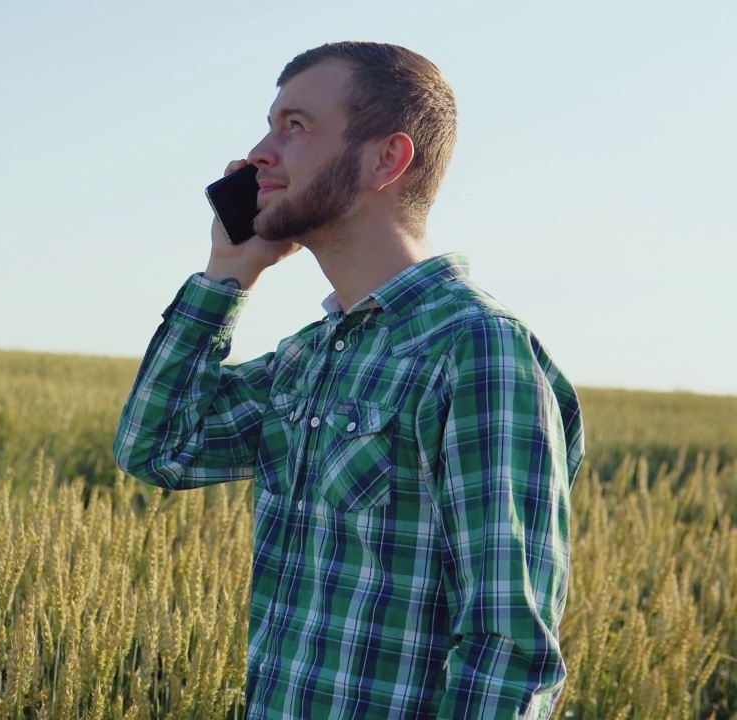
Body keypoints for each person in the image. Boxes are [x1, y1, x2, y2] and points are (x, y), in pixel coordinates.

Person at [113, 42, 585, 719]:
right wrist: (228, 270)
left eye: (294, 127)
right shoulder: (311, 356)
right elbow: (156, 448)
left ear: (385, 160)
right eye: (270, 124)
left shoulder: (476, 350)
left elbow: (506, 650)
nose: (257, 155)